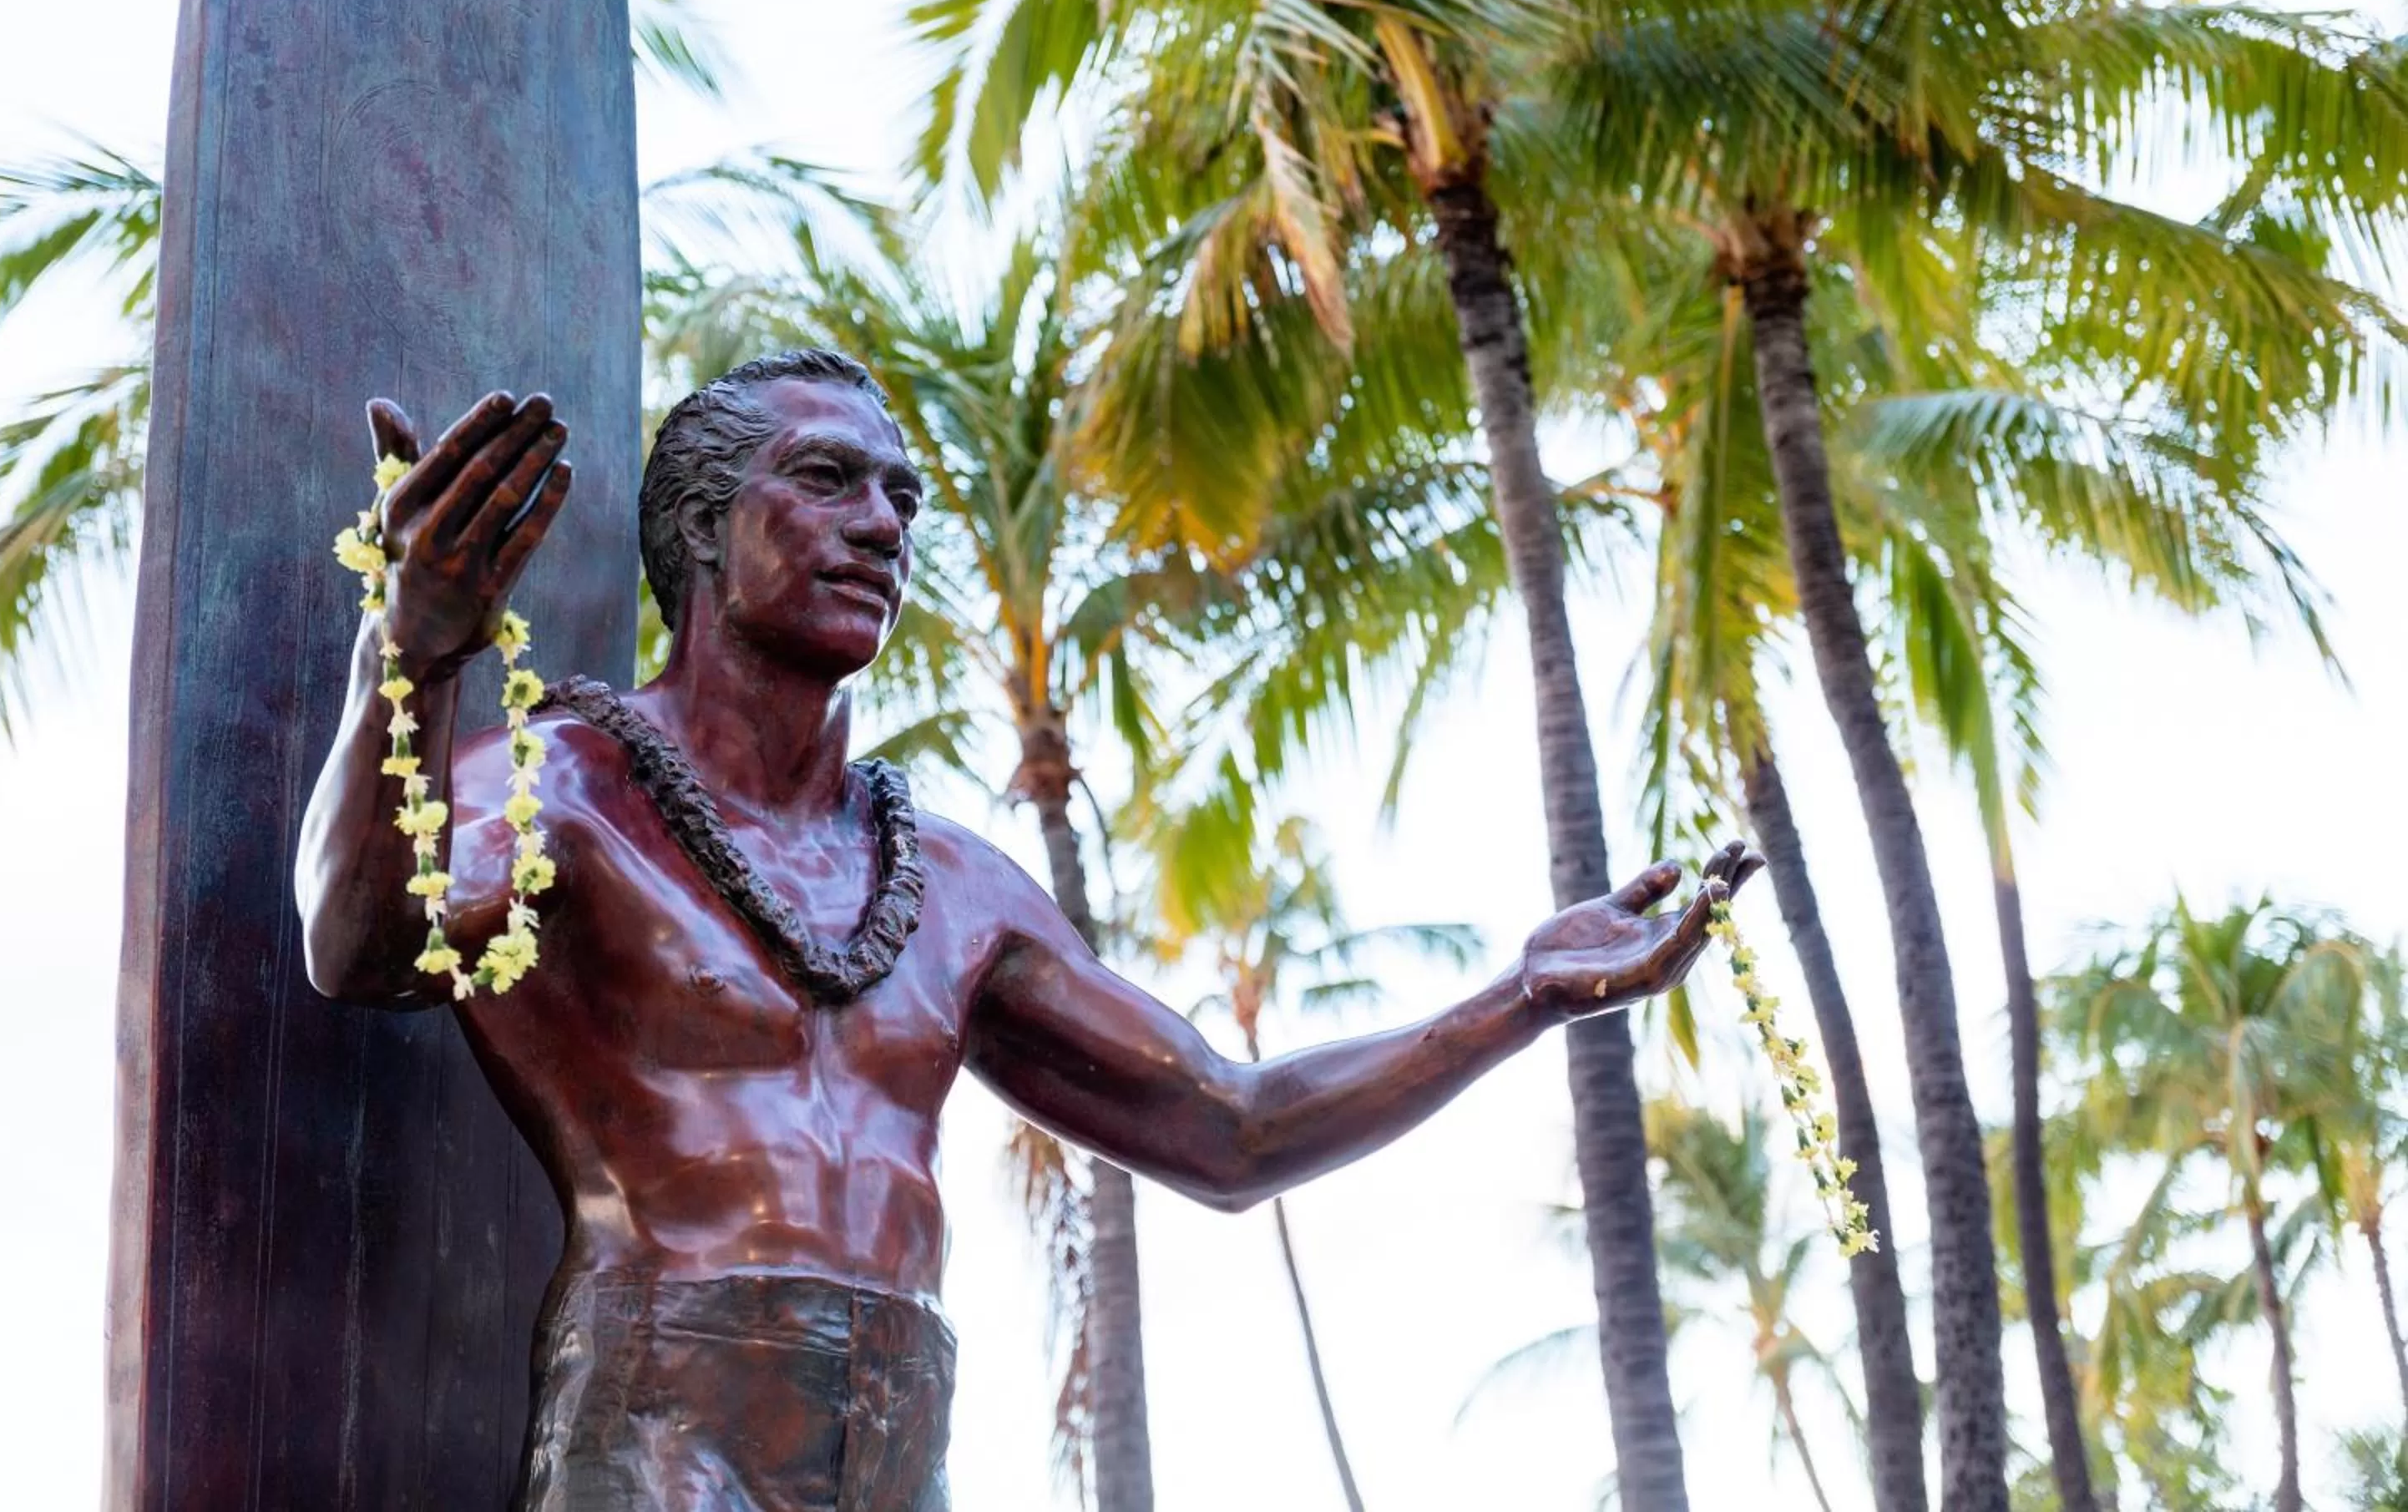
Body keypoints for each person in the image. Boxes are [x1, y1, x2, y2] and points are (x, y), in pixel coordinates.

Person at [295, 348, 1763, 1512]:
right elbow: (359, 941)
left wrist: (1519, 997)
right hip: (666, 1412)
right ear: (701, 529)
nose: (880, 523)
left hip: (898, 1434)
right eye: (826, 479)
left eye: (902, 496)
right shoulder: (569, 787)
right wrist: (413, 652)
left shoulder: (949, 883)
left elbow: (1228, 1130)